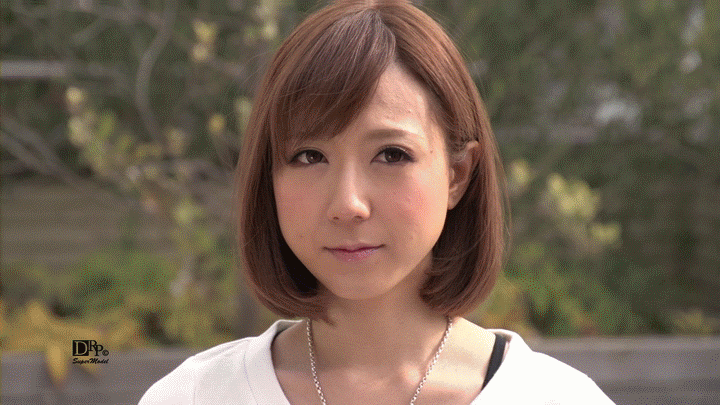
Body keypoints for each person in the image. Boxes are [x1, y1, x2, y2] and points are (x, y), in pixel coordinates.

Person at [139, 0, 615, 403]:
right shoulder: (194, 395)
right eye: (309, 156)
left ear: (457, 174)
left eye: (391, 154)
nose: (348, 203)